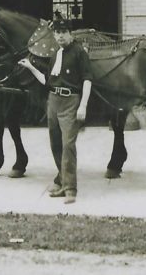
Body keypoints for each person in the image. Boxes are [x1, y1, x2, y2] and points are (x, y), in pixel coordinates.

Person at [18, 18, 92, 204]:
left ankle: (71, 190)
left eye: (63, 32)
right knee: (56, 144)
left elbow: (87, 80)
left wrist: (83, 105)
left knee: (68, 145)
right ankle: (63, 182)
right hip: (53, 101)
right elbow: (47, 81)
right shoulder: (55, 54)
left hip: (71, 102)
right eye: (57, 33)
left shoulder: (79, 52)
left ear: (70, 33)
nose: (60, 36)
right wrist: (31, 67)